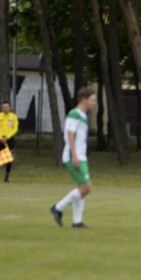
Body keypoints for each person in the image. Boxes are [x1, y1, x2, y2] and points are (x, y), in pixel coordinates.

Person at [50, 88, 98, 228]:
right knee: (86, 188)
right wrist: (75, 156)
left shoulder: (83, 115)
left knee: (80, 188)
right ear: (84, 100)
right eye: (92, 100)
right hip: (74, 156)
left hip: (80, 155)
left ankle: (77, 221)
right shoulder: (74, 114)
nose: (94, 103)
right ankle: (58, 208)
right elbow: (70, 134)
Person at [0, 101, 19, 183]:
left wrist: (7, 137)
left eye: (7, 107)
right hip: (0, 139)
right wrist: (0, 137)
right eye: (4, 107)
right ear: (2, 108)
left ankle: (6, 178)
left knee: (9, 159)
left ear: (10, 108)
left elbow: (15, 128)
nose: (5, 109)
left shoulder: (13, 117)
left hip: (9, 139)